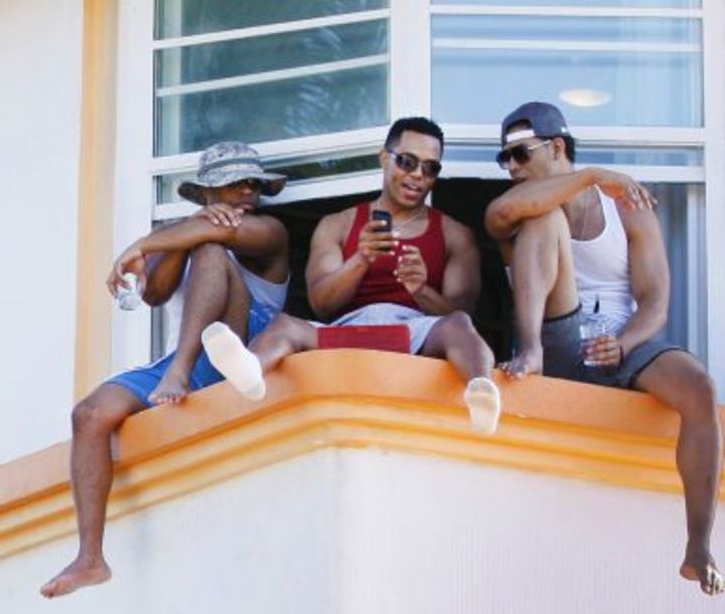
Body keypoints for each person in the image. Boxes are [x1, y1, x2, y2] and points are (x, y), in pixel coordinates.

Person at [485, 101, 725, 596]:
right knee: (544, 218)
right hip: (557, 340)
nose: (510, 167)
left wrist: (624, 343)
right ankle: (528, 351)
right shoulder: (516, 208)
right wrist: (593, 172)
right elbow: (505, 212)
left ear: (556, 146)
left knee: (699, 387)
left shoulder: (623, 207)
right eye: (503, 158)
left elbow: (657, 300)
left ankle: (698, 545)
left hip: (618, 339)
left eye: (520, 154)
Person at [39, 141, 291, 599]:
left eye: (254, 184)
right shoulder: (193, 229)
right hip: (192, 357)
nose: (248, 193)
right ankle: (90, 557)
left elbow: (227, 238)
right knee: (89, 415)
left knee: (213, 251)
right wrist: (188, 232)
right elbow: (154, 292)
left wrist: (142, 244)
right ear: (206, 193)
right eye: (235, 184)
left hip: (247, 354)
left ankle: (178, 371)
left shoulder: (271, 231)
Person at [199, 118, 503, 435]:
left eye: (430, 168)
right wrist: (361, 259)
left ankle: (481, 391)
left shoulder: (455, 234)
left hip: (413, 329)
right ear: (384, 158)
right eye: (407, 162)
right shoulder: (338, 224)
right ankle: (250, 371)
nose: (417, 175)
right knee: (284, 325)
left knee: (459, 326)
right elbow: (321, 305)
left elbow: (461, 314)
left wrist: (421, 289)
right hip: (347, 331)